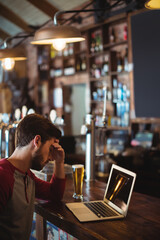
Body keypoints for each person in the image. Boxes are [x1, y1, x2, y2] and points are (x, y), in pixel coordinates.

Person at [0, 113, 66, 240]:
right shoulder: (3, 176)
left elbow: (54, 194)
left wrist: (59, 161)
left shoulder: (26, 175)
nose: (51, 157)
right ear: (37, 141)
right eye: (50, 149)